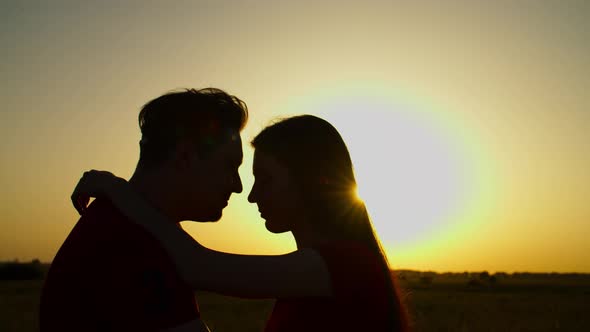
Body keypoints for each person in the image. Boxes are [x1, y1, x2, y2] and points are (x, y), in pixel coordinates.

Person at [72, 115, 411, 331]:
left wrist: (119, 190)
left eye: (264, 179)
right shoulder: (319, 270)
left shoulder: (345, 265)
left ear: (309, 180)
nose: (250, 195)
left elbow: (197, 266)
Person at [40, 88, 249, 331]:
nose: (238, 186)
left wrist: (116, 188)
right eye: (230, 166)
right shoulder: (129, 244)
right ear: (185, 157)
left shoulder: (130, 228)